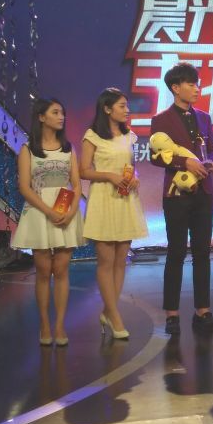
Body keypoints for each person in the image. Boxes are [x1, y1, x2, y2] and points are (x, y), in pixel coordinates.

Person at [150, 62, 213, 335]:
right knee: (176, 252)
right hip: (176, 195)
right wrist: (184, 162)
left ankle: (203, 311)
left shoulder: (204, 117)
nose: (196, 88)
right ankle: (172, 313)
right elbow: (155, 157)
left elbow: (211, 150)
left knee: (202, 252)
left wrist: (209, 163)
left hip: (204, 191)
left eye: (197, 83)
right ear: (175, 88)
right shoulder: (161, 120)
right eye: (191, 84)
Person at [12, 98, 84, 346]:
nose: (61, 116)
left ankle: (60, 324)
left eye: (62, 112)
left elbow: (77, 184)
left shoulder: (68, 148)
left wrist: (72, 211)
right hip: (39, 212)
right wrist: (48, 211)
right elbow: (24, 187)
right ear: (41, 117)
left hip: (65, 211)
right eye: (55, 112)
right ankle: (44, 324)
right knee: (43, 271)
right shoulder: (28, 149)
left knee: (61, 270)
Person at [80, 88, 148, 339]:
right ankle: (115, 317)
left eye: (126, 106)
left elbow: (131, 167)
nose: (127, 110)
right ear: (107, 109)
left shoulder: (129, 136)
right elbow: (83, 171)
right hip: (103, 199)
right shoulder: (92, 136)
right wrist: (109, 176)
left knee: (121, 260)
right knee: (106, 261)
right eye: (121, 106)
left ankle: (109, 311)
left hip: (125, 198)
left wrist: (134, 177)